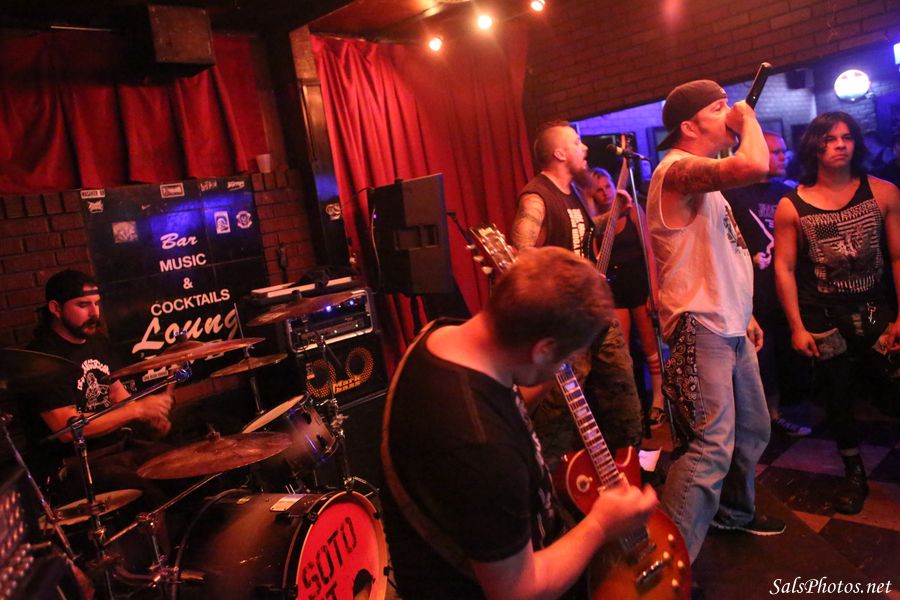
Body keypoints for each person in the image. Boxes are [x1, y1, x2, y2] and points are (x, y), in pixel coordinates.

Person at [380, 246, 657, 599]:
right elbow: (516, 590)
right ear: (543, 349)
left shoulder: (443, 336)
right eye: (566, 358)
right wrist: (602, 523)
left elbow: (497, 405)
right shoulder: (481, 447)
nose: (563, 369)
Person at [647, 79, 785, 562]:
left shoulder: (704, 180)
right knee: (710, 446)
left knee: (753, 429)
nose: (731, 112)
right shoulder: (676, 169)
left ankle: (733, 514)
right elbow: (755, 164)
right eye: (719, 107)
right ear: (689, 127)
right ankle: (666, 564)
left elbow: (723, 253)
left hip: (729, 322)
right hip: (699, 324)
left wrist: (746, 313)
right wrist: (748, 119)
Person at [773, 112, 900, 515]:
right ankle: (854, 474)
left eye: (846, 137)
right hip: (823, 315)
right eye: (829, 139)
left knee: (893, 386)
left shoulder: (883, 192)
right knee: (838, 395)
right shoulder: (791, 205)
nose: (840, 144)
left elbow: (898, 256)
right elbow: (784, 268)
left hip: (875, 307)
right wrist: (796, 326)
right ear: (814, 146)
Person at [510, 120, 643, 466]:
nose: (584, 148)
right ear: (559, 153)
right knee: (562, 411)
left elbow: (580, 233)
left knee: (621, 390)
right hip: (566, 320)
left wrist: (614, 214)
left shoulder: (572, 193)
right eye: (575, 142)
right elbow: (518, 256)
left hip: (595, 313)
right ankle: (553, 477)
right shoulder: (537, 197)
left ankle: (629, 468)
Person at [17, 269, 174, 506]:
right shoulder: (41, 359)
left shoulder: (98, 342)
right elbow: (67, 429)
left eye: (97, 303)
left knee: (186, 468)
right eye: (83, 305)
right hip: (76, 465)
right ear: (56, 308)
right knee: (152, 497)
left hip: (119, 448)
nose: (94, 313)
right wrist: (137, 410)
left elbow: (117, 393)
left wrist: (149, 417)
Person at [724, 132, 812, 437]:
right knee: (762, 360)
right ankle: (766, 419)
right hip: (751, 293)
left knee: (789, 357)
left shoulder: (787, 193)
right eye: (775, 152)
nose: (782, 157)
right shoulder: (732, 194)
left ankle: (782, 412)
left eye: (784, 151)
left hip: (786, 290)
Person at [584, 167, 665, 429]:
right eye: (599, 190)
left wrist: (654, 288)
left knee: (651, 346)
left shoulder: (632, 211)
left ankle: (659, 400)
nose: (605, 193)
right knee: (623, 351)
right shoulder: (595, 222)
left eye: (608, 186)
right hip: (615, 290)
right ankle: (633, 406)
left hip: (639, 284)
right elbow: (595, 259)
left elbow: (650, 251)